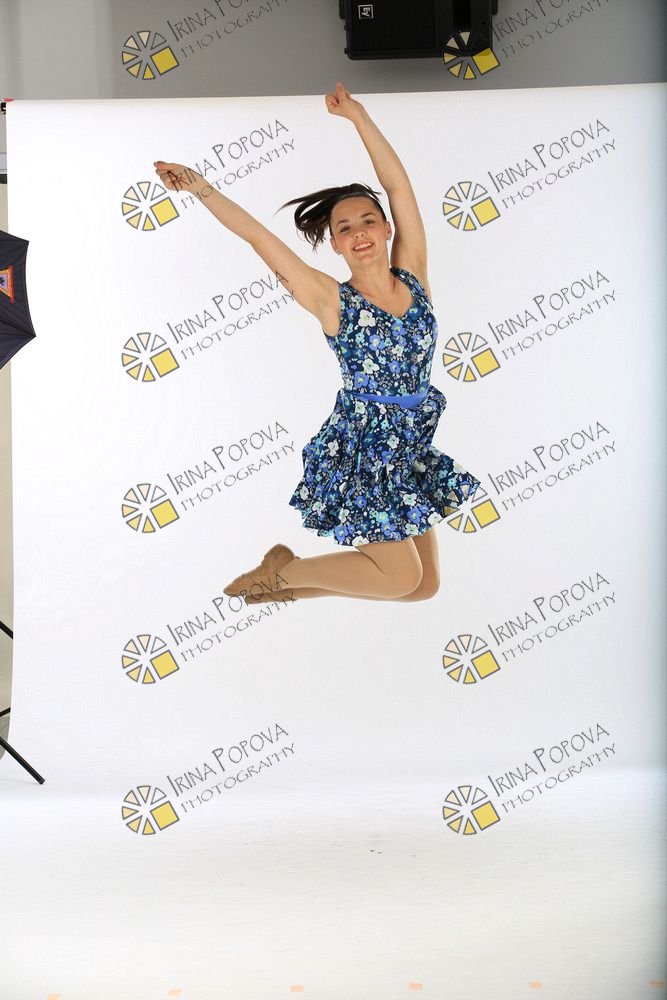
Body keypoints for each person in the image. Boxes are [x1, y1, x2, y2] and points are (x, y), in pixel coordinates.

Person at [154, 81, 481, 605]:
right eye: (345, 228)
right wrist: (201, 188)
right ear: (335, 244)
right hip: (364, 447)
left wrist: (358, 117)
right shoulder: (332, 300)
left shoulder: (414, 275)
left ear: (387, 229)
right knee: (399, 578)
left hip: (409, 443)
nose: (359, 232)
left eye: (368, 220)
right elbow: (259, 237)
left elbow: (399, 188)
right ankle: (284, 573)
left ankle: (284, 585)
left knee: (424, 587)